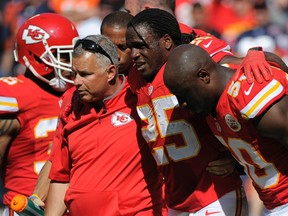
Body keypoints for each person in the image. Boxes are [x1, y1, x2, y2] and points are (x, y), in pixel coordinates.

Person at [126, 8, 248, 215]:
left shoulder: (191, 65)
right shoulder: (135, 76)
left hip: (214, 193)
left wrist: (239, 158)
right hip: (176, 197)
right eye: (130, 47)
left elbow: (231, 84)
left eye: (139, 46)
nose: (133, 54)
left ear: (165, 41)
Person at [44, 34, 164, 215]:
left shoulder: (140, 97)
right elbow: (61, 177)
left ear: (110, 72)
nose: (76, 82)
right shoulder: (71, 106)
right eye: (74, 74)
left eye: (85, 74)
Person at [163, 43, 288, 215]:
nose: (182, 103)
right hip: (274, 203)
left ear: (204, 76)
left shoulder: (247, 94)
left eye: (184, 93)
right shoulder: (215, 98)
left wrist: (256, 53)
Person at [0, 13, 79, 215]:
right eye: (63, 56)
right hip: (25, 207)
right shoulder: (14, 95)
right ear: (36, 57)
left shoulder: (80, 93)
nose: (70, 64)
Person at [100, 11, 134, 75]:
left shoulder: (145, 80)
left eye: (123, 47)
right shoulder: (89, 74)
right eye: (109, 46)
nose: (116, 56)